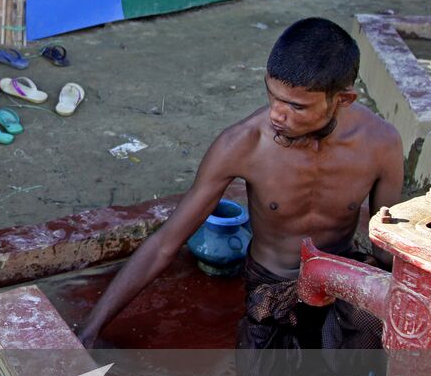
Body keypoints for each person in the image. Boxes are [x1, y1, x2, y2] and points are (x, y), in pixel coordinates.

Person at [76, 18, 403, 358]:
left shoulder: (381, 144)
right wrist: (90, 329)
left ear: (343, 99)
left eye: (296, 106)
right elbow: (164, 244)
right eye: (272, 96)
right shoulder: (242, 144)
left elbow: (388, 249)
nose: (277, 115)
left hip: (341, 284)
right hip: (273, 290)